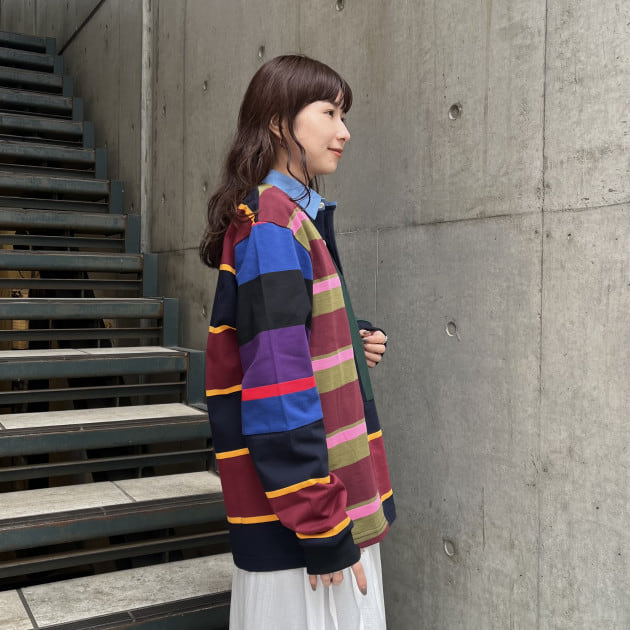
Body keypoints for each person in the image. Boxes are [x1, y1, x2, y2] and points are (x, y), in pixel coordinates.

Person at [200, 54, 395, 630]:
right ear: (279, 123)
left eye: (343, 115)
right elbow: (276, 385)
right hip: (308, 526)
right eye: (329, 113)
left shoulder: (292, 216)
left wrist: (349, 338)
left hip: (317, 508)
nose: (344, 130)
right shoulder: (273, 223)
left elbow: (288, 337)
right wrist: (321, 523)